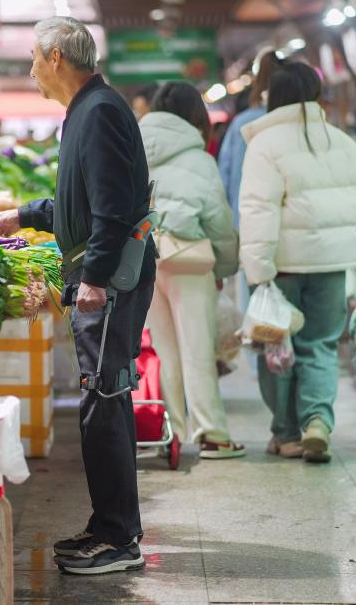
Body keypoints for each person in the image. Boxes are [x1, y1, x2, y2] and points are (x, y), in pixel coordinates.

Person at [0, 16, 154, 575]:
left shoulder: (99, 112)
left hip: (108, 280)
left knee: (103, 402)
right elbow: (79, 204)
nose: (31, 69)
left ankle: (118, 540)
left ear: (57, 57)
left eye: (34, 57)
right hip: (97, 272)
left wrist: (95, 279)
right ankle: (111, 525)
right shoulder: (84, 112)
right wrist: (24, 215)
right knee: (104, 401)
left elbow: (111, 211)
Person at [238, 62, 356, 463]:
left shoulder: (265, 144)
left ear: (271, 98)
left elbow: (258, 212)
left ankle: (287, 434)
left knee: (277, 344)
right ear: (316, 96)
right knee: (321, 346)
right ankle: (318, 421)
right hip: (331, 265)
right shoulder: (343, 142)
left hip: (283, 267)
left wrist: (258, 271)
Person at [138, 82, 242, 459]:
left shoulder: (134, 147)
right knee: (197, 350)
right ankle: (212, 434)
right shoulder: (200, 159)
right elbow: (218, 221)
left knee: (163, 351)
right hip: (189, 261)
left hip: (145, 258)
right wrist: (226, 266)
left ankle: (170, 433)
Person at [218, 50, 282, 230]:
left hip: (244, 217)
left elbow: (225, 172)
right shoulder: (299, 123)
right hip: (288, 222)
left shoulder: (242, 123)